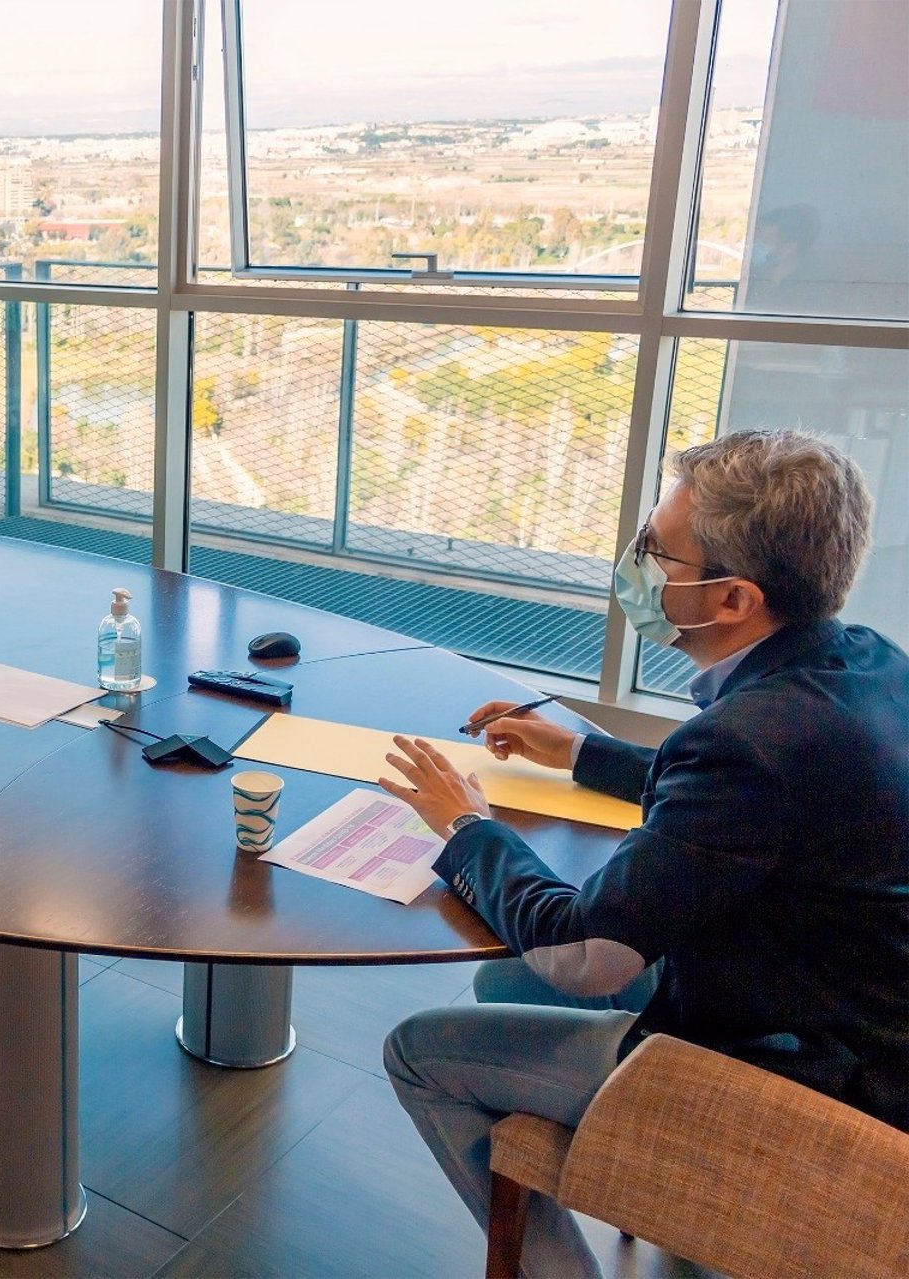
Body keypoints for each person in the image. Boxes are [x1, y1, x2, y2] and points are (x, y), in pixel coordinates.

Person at [379, 430, 909, 1277]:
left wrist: (466, 827)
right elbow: (750, 808)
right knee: (499, 979)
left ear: (734, 597)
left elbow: (579, 954)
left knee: (419, 1049)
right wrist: (582, 753)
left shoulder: (746, 742)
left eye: (656, 551)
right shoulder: (867, 662)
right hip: (851, 1014)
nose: (637, 563)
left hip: (796, 1072)